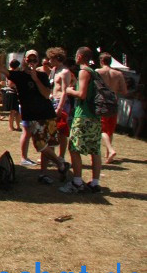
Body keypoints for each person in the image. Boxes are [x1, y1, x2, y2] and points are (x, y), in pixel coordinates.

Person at [0, 55, 67, 184]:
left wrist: (35, 79)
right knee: (41, 145)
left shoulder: (42, 76)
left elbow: (46, 95)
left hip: (46, 113)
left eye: (35, 60)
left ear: (38, 62)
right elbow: (1, 68)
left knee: (48, 145)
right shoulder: (19, 76)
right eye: (29, 60)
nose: (32, 63)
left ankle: (43, 174)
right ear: (24, 61)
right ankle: (60, 163)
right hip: (32, 116)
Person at [59, 47, 103, 193]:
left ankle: (77, 182)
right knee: (95, 150)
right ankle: (95, 183)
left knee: (74, 148)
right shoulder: (94, 72)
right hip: (95, 117)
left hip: (83, 116)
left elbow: (82, 94)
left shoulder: (84, 72)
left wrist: (69, 90)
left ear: (80, 56)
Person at [96, 53, 126, 164]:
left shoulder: (98, 72)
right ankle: (108, 154)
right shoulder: (118, 73)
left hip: (102, 100)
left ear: (101, 61)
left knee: (102, 129)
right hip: (113, 100)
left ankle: (110, 150)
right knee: (110, 128)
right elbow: (124, 91)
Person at [46, 47, 73, 163]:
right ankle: (52, 156)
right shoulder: (53, 70)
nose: (49, 61)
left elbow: (64, 91)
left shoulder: (65, 72)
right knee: (51, 131)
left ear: (57, 58)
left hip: (60, 102)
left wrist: (60, 107)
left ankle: (61, 156)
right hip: (51, 101)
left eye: (51, 58)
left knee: (62, 131)